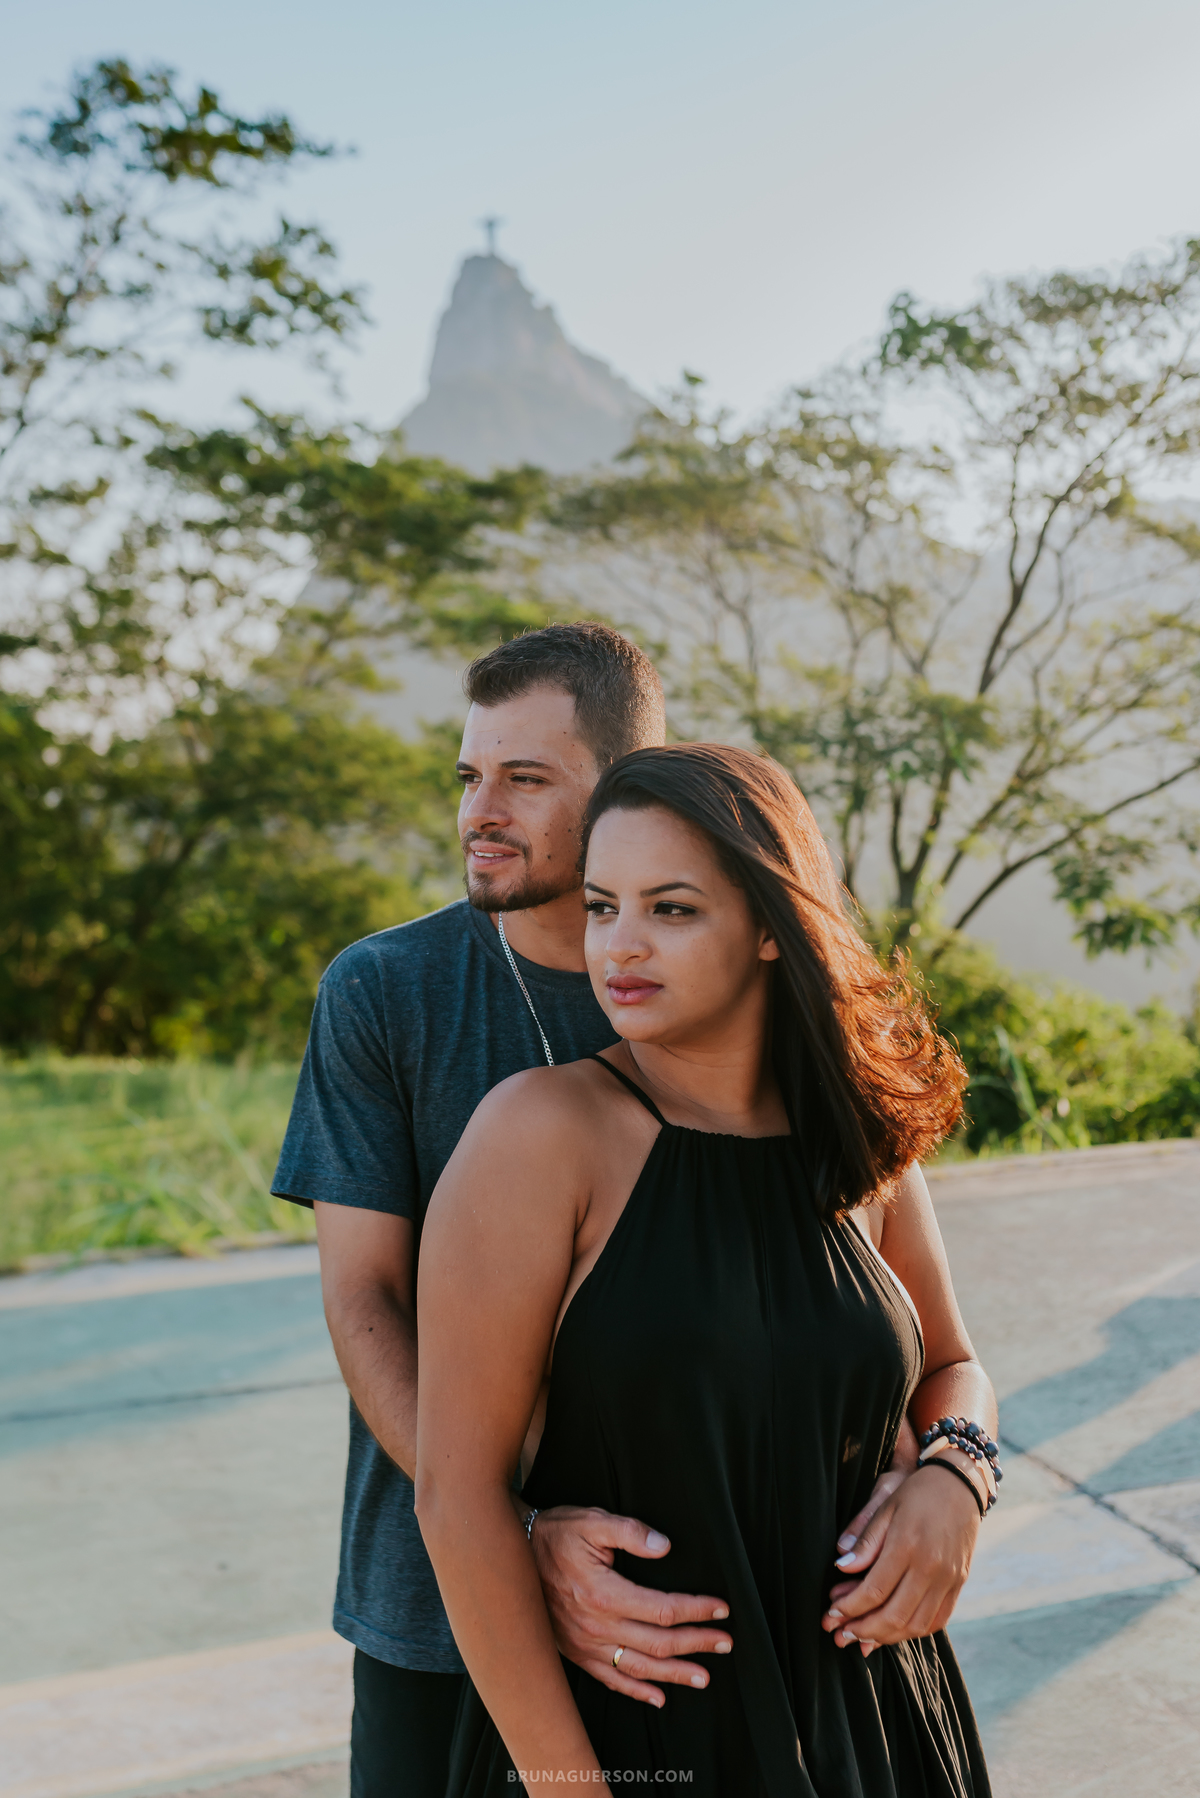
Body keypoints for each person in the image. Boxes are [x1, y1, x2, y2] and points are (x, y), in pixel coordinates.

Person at [416, 743, 996, 1797]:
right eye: (602, 906)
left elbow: (952, 1366)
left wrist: (958, 1474)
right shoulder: (540, 1135)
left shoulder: (856, 1136)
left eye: (671, 909)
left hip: (875, 1720)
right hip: (641, 1739)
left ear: (774, 926)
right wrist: (570, 1789)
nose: (619, 946)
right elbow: (458, 1498)